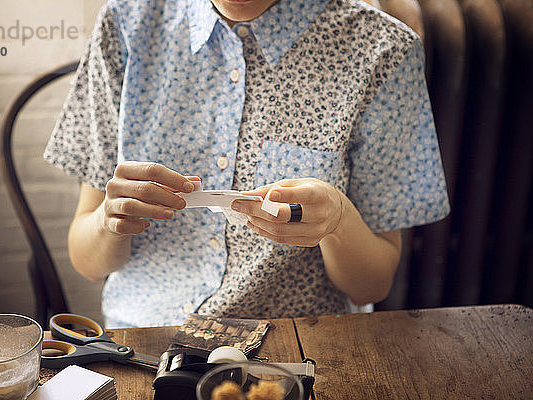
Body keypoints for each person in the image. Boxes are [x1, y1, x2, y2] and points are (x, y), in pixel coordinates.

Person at [44, 0, 450, 328]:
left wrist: (338, 220)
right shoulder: (124, 25)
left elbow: (372, 284)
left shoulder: (382, 49)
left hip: (295, 345)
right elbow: (87, 262)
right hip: (145, 340)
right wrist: (108, 221)